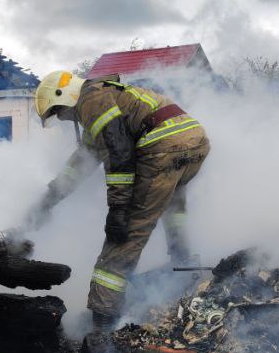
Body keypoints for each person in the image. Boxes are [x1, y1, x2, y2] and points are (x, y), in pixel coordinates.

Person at [30, 71, 210, 331]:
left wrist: (118, 208)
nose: (63, 118)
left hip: (164, 146)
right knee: (174, 206)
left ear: (65, 96)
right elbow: (79, 166)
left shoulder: (90, 100)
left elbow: (119, 153)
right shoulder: (106, 99)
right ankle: (183, 267)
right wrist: (47, 201)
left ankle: (102, 322)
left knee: (125, 237)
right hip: (194, 142)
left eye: (59, 112)